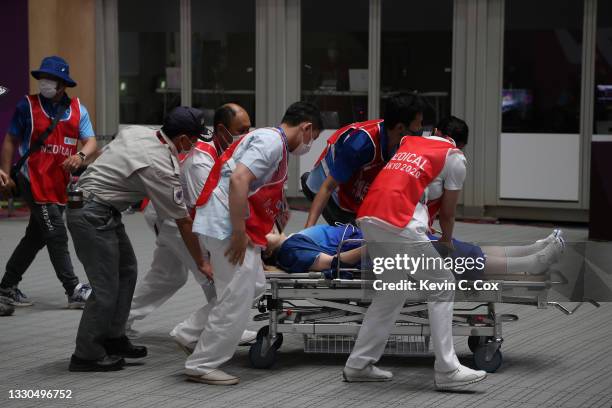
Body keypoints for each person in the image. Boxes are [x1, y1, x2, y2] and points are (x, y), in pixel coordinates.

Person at [341, 117, 488, 390]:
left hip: (370, 217)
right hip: (399, 222)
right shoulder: (455, 157)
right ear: (459, 143)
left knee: (391, 292)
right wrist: (445, 239)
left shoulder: (410, 142)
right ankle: (447, 370)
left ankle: (359, 364)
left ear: (437, 132)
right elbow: (448, 210)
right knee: (442, 285)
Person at [182, 101, 322, 385]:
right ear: (306, 128)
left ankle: (189, 333)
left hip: (225, 220)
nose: (310, 145)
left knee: (254, 285)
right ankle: (202, 364)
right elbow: (238, 180)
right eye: (313, 138)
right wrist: (237, 232)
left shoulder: (274, 143)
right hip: (225, 224)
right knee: (237, 293)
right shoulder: (271, 141)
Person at [66, 106, 212, 372]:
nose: (195, 144)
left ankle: (113, 337)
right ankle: (86, 354)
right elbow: (183, 221)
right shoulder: (160, 166)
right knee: (106, 285)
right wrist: (202, 262)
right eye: (194, 138)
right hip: (92, 212)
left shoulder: (138, 132)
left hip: (103, 209)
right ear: (182, 139)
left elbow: (107, 154)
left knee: (127, 271)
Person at [126, 103, 256, 348]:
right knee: (212, 275)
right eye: (242, 129)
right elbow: (201, 214)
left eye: (250, 129)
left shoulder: (221, 147)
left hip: (171, 215)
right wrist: (205, 258)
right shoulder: (201, 162)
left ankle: (119, 321)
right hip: (177, 219)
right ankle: (224, 328)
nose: (247, 135)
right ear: (222, 129)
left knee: (167, 277)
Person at [0, 56, 96, 308]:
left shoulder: (78, 110)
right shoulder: (26, 106)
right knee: (55, 231)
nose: (45, 83)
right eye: (43, 78)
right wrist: (5, 172)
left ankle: (6, 287)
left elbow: (91, 142)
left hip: (58, 185)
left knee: (36, 236)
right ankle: (72, 288)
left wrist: (80, 155)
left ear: (63, 84)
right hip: (32, 179)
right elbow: (10, 139)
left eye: (51, 79)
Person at [302, 93, 426, 227]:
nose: (421, 130)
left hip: (356, 190)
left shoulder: (402, 140)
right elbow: (327, 188)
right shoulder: (360, 145)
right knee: (357, 239)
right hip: (331, 194)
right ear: (400, 128)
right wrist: (306, 233)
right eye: (418, 125)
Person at [263, 224, 566, 279]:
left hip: (381, 240)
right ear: (264, 249)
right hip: (379, 252)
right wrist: (379, 241)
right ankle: (532, 263)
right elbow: (334, 263)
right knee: (458, 259)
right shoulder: (290, 251)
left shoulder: (294, 238)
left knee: (460, 249)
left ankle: (529, 250)